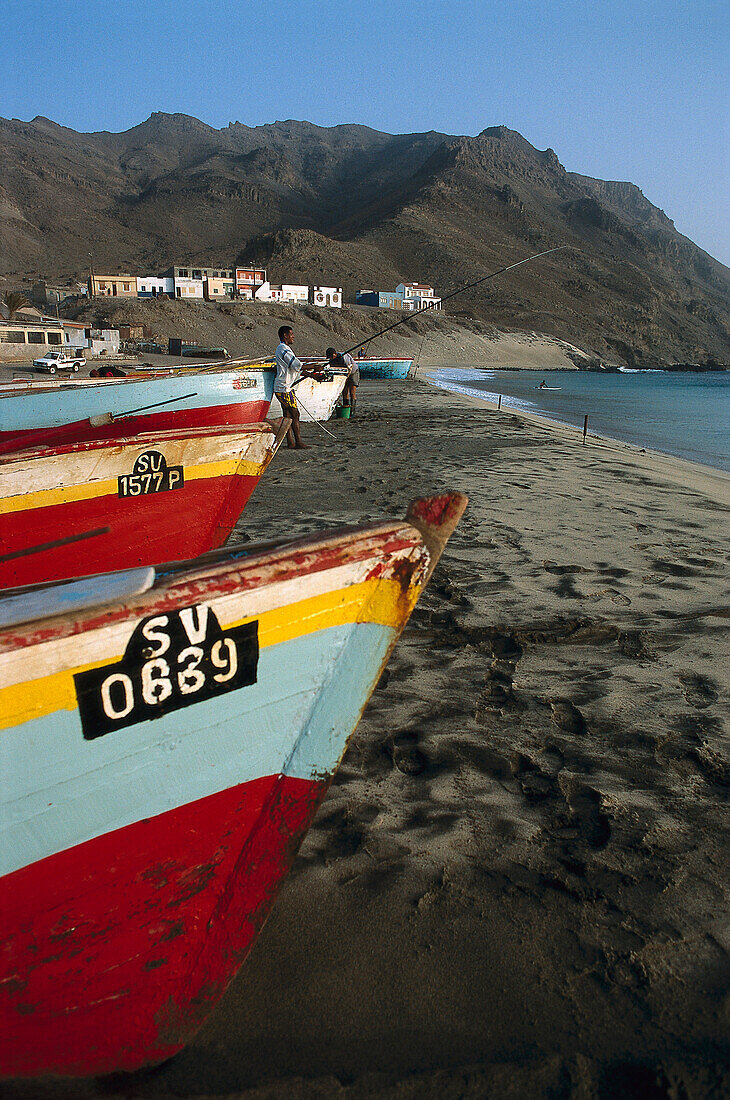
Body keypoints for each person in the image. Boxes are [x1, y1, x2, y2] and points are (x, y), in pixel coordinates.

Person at [274, 325, 310, 448]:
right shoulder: (284, 349)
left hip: (283, 388)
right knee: (295, 414)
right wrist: (314, 367)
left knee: (287, 415)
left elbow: (296, 369)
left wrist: (312, 375)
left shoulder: (284, 349)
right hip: (284, 389)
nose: (293, 336)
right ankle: (298, 442)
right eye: (291, 334)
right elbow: (296, 365)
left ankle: (290, 442)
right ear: (285, 335)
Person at [326, 346, 359, 417]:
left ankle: (352, 411)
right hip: (343, 374)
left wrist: (346, 378)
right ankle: (346, 408)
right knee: (344, 392)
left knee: (352, 392)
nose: (330, 359)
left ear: (334, 354)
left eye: (331, 357)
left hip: (353, 372)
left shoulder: (344, 357)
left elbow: (350, 368)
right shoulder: (332, 361)